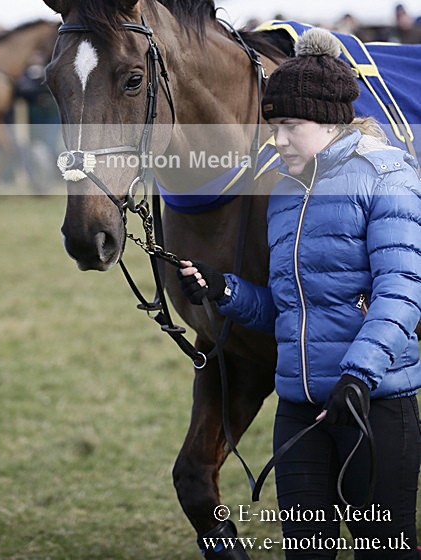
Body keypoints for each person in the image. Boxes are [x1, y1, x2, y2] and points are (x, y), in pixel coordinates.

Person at [178, 28, 421, 559]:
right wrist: (225, 291)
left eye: (289, 127)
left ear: (330, 122)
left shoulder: (388, 177)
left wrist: (358, 377)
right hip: (299, 409)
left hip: (372, 405)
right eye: (273, 127)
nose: (277, 140)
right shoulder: (283, 194)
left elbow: (400, 294)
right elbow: (287, 311)